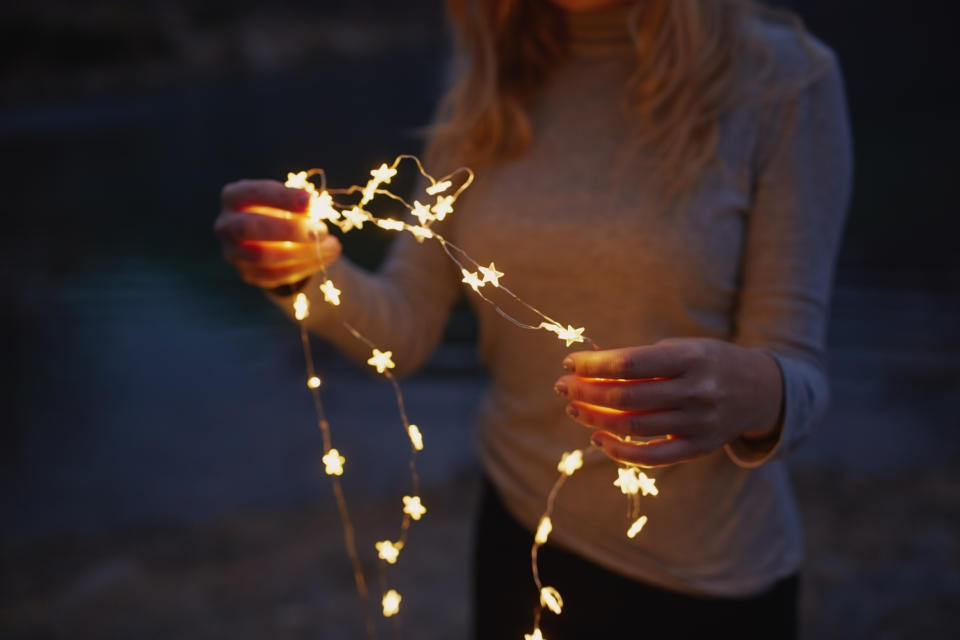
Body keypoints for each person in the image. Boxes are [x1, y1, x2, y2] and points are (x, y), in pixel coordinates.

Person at [215, 0, 852, 637]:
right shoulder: (491, 83)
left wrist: (751, 391)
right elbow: (402, 328)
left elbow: (799, 374)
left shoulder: (785, 82)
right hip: (520, 539)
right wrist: (302, 270)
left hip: (710, 582)